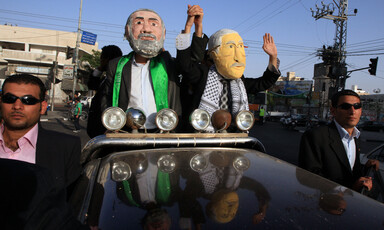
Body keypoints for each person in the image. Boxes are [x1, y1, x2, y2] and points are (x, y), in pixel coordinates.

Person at [87, 5, 208, 138]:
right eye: (139, 23)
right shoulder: (116, 65)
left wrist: (192, 27)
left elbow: (192, 61)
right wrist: (111, 123)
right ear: (127, 31)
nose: (146, 29)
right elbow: (107, 96)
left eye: (154, 24)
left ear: (163, 33)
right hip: (126, 134)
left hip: (165, 134)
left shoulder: (170, 64)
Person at [177, 29, 281, 132]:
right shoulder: (203, 75)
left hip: (231, 137)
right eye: (230, 47)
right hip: (202, 136)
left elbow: (262, 83)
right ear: (213, 54)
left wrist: (273, 57)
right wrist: (188, 28)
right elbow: (185, 66)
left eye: (240, 47)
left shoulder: (239, 82)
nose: (238, 57)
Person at [0, 73, 82, 197]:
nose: (17, 106)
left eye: (28, 100)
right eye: (10, 99)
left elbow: (71, 203)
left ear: (42, 107)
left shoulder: (65, 147)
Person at [298, 90, 379, 192]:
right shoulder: (315, 136)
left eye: (357, 106)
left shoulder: (355, 136)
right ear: (333, 111)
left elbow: (350, 171)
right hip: (326, 203)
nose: (352, 111)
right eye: (345, 107)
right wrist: (347, 188)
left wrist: (366, 168)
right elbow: (308, 177)